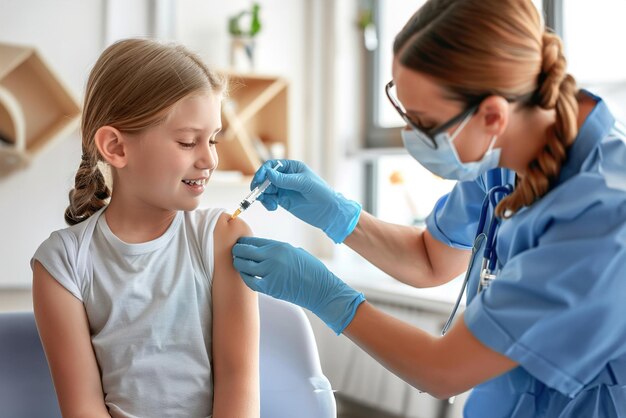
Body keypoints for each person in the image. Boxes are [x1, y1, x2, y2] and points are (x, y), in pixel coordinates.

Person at [231, 0, 626, 416]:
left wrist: (324, 294)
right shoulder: (499, 153)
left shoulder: (604, 218)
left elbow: (444, 370)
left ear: (491, 115)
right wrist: (334, 212)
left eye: (423, 122)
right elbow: (430, 259)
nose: (409, 134)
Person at [31, 38, 260, 418]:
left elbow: (239, 383)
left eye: (214, 139)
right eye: (188, 142)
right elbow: (83, 408)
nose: (210, 158)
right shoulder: (61, 264)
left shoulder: (223, 238)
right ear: (116, 147)